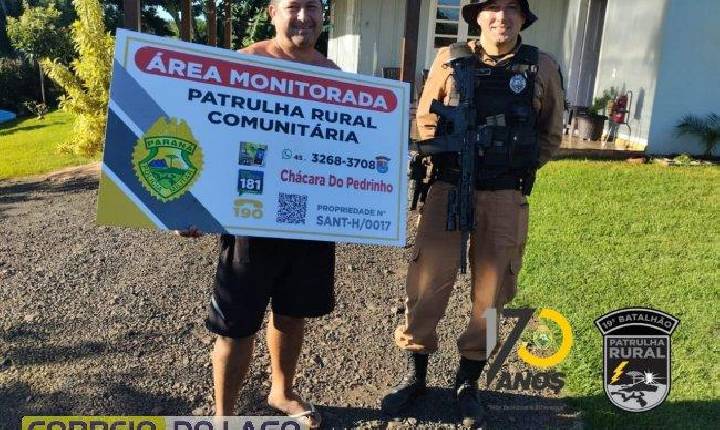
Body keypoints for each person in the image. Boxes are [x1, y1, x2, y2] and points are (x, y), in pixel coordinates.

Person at [380, 0, 564, 426]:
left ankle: (469, 380)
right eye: (492, 9)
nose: (501, 18)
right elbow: (423, 122)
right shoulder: (448, 58)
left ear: (523, 18)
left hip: (504, 193)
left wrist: (511, 161)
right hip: (447, 185)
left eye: (511, 10)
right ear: (477, 18)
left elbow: (550, 133)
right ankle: (416, 372)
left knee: (494, 292)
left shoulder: (542, 66)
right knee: (427, 281)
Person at [179, 1, 336, 427]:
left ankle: (281, 391)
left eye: (311, 6)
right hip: (251, 219)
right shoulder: (244, 64)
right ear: (272, 13)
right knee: (236, 324)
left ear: (323, 14)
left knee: (292, 312)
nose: (302, 16)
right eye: (292, 6)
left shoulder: (334, 76)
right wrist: (192, 205)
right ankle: (223, 417)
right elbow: (208, 137)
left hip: (307, 220)